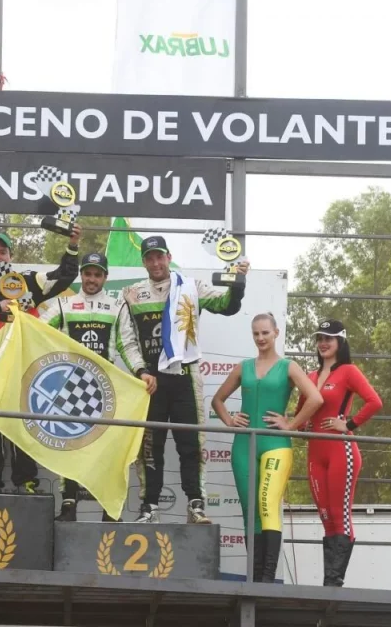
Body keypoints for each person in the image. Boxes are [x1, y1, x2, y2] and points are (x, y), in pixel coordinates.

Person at [116, 235, 248, 525]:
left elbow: (227, 305)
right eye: (149, 257)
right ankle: (149, 506)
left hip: (185, 377)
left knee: (190, 444)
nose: (155, 262)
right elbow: (125, 342)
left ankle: (196, 504)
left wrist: (237, 283)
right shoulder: (131, 294)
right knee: (150, 447)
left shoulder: (190, 287)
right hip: (151, 382)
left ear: (168, 256)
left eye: (159, 256)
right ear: (144, 261)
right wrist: (141, 371)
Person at [0, 230, 81, 495]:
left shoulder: (26, 280)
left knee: (24, 423)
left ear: (10, 256)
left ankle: (25, 480)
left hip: (23, 363)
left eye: (2, 251)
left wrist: (72, 247)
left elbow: (63, 277)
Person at [211, 313, 323, 582]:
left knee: (267, 504)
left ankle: (267, 578)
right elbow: (218, 400)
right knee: (250, 508)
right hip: (243, 447)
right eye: (256, 334)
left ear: (276, 333)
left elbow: (316, 398)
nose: (261, 338)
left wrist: (292, 424)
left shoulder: (289, 366)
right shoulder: (243, 367)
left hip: (275, 444)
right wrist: (229, 419)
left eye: (265, 333)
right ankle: (253, 576)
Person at [298, 319, 382, 587]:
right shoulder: (309, 376)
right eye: (320, 338)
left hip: (341, 450)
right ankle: (329, 582)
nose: (323, 343)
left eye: (329, 338)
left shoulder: (348, 371)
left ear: (340, 342)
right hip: (315, 452)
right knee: (325, 515)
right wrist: (290, 423)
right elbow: (301, 414)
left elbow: (374, 401)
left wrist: (349, 424)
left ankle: (334, 582)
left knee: (340, 514)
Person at [37, 252, 121, 519]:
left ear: (105, 277)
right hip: (71, 386)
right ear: (82, 275)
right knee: (70, 443)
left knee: (105, 448)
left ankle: (108, 505)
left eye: (97, 274)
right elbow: (38, 330)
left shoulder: (117, 306)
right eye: (87, 273)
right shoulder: (64, 305)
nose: (92, 279)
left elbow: (126, 343)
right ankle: (69, 502)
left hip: (104, 388)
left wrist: (141, 371)